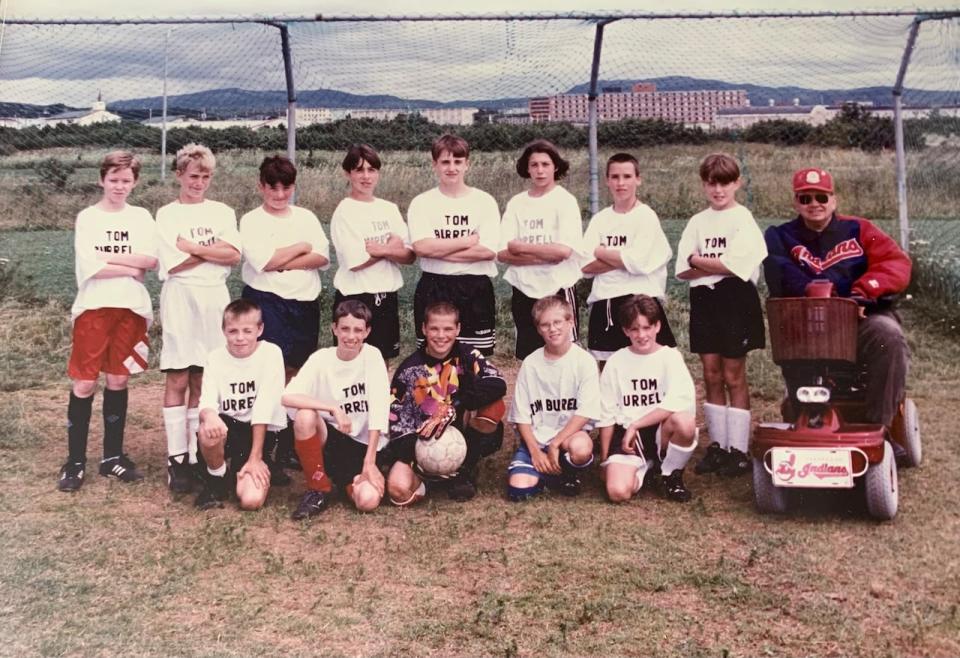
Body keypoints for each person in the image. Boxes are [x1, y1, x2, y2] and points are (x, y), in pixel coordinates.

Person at [763, 167, 911, 430]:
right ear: (795, 202)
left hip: (858, 317)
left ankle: (879, 425)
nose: (814, 204)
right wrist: (817, 292)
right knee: (789, 337)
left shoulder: (860, 228)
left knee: (888, 335)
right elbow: (779, 270)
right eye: (805, 198)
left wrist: (862, 292)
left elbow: (895, 262)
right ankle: (803, 415)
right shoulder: (779, 235)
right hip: (807, 322)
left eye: (821, 197)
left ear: (834, 199)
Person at [57, 150, 158, 491]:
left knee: (118, 380)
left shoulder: (142, 216)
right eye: (113, 179)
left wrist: (113, 259)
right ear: (102, 179)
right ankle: (74, 462)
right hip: (94, 308)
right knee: (85, 383)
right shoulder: (88, 217)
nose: (119, 186)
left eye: (126, 180)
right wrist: (131, 265)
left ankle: (111, 458)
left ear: (135, 182)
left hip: (131, 308)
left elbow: (150, 263)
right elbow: (90, 268)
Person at [156, 143, 242, 493]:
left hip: (213, 298)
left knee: (203, 378)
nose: (199, 182)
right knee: (178, 374)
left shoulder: (222, 211)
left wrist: (191, 247)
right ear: (179, 175)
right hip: (180, 294)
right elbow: (172, 263)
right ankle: (176, 459)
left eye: (206, 176)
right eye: (193, 175)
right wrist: (212, 252)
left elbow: (233, 255)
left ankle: (196, 455)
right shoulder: (166, 214)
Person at [675, 153, 766, 477]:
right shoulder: (697, 222)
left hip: (736, 300)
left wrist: (700, 261)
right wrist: (708, 264)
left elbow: (738, 267)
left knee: (733, 375)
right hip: (704, 300)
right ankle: (718, 446)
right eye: (712, 183)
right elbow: (682, 269)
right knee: (711, 374)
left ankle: (738, 451)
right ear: (704, 185)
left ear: (737, 183)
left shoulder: (743, 219)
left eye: (725, 182)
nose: (718, 190)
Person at [239, 155, 330, 477]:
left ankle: (290, 445)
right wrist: (300, 247)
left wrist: (284, 260)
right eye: (272, 187)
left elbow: (321, 256)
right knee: (270, 372)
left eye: (286, 187)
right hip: (267, 301)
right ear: (261, 186)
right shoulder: (251, 220)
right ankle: (264, 448)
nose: (279, 194)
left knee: (297, 373)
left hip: (303, 303)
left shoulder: (305, 216)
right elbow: (263, 262)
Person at [386, 302, 507, 504]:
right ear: (424, 328)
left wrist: (456, 404)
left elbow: (497, 383)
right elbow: (396, 419)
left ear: (458, 329)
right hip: (422, 443)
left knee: (494, 406)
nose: (441, 335)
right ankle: (427, 482)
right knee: (397, 490)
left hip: (462, 435)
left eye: (448, 329)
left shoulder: (468, 355)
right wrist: (418, 453)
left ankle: (464, 471)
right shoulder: (409, 369)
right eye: (434, 328)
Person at [282, 300, 392, 519]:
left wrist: (369, 463)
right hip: (331, 441)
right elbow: (287, 396)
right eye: (345, 328)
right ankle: (318, 488)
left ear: (367, 331)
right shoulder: (321, 358)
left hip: (362, 447)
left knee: (367, 501)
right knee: (305, 416)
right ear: (334, 328)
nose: (351, 336)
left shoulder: (372, 356)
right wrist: (332, 408)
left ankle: (345, 484)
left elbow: (379, 411)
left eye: (358, 330)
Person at [597, 295, 697, 503]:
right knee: (617, 492)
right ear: (626, 331)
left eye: (646, 327)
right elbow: (607, 414)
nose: (641, 335)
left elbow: (677, 401)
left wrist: (637, 424)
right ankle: (646, 468)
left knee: (685, 422)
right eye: (634, 329)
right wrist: (605, 460)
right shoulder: (616, 362)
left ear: (657, 326)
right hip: (628, 437)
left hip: (662, 431)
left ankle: (671, 474)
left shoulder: (670, 357)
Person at [407, 134, 500, 356]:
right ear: (434, 164)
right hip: (434, 284)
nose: (452, 168)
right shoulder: (422, 203)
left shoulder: (484, 201)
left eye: (458, 161)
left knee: (475, 357)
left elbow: (487, 250)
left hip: (475, 286)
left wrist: (437, 249)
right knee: (434, 355)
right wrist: (466, 241)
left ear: (467, 164)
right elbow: (421, 248)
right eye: (445, 162)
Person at [582, 153, 676, 365]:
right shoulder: (600, 220)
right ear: (607, 181)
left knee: (649, 371)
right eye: (615, 177)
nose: (621, 183)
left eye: (627, 176)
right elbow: (585, 266)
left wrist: (601, 251)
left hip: (642, 303)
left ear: (638, 179)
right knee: (609, 373)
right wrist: (623, 259)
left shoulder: (646, 216)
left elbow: (638, 262)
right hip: (605, 302)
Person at [194, 299, 287, 511]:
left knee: (251, 501)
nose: (240, 338)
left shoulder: (271, 353)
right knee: (208, 430)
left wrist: (255, 457)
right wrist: (210, 416)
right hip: (229, 427)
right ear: (224, 331)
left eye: (247, 330)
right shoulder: (215, 357)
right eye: (233, 331)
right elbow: (206, 401)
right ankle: (217, 479)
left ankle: (253, 464)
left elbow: (264, 408)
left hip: (259, 430)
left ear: (260, 329)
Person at [498, 140, 585, 359]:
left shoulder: (565, 201)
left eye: (545, 164)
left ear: (555, 166)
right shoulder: (517, 203)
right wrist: (544, 255)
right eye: (534, 164)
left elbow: (563, 252)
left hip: (557, 287)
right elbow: (502, 252)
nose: (539, 170)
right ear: (527, 168)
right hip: (524, 288)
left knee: (564, 352)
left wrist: (522, 248)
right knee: (529, 356)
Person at [506, 296, 599, 501]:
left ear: (570, 321)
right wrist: (536, 452)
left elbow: (585, 413)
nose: (552, 329)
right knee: (519, 491)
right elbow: (521, 416)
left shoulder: (584, 361)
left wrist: (556, 444)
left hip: (569, 437)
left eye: (558, 322)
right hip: (537, 439)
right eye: (545, 325)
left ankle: (568, 471)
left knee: (582, 449)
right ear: (538, 329)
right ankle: (551, 472)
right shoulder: (531, 363)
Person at [330, 144, 415, 365]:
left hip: (386, 295)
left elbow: (409, 256)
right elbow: (356, 262)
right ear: (348, 174)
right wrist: (391, 248)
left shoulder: (389, 208)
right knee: (352, 362)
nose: (366, 176)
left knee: (381, 361)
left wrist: (381, 249)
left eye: (371, 170)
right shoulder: (345, 211)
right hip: (356, 298)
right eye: (359, 170)